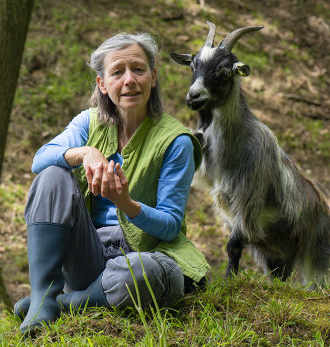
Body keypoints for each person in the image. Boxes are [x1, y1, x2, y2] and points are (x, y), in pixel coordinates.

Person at [14, 31, 210, 334]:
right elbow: (40, 158)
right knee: (53, 174)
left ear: (153, 77)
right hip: (88, 256)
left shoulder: (176, 141)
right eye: (118, 72)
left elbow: (171, 225)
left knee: (145, 272)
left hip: (148, 258)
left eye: (138, 69)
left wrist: (126, 204)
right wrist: (84, 153)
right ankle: (43, 297)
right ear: (102, 84)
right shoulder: (88, 123)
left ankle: (64, 303)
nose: (129, 79)